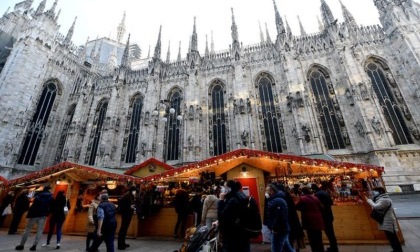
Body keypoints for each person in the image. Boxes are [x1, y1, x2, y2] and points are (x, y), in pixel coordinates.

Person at [15, 185, 53, 251]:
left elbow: (33, 207)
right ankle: (34, 246)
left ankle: (22, 245)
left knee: (27, 229)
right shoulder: (51, 197)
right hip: (43, 216)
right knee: (40, 230)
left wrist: (29, 215)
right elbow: (51, 207)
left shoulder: (38, 196)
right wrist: (47, 214)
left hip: (35, 215)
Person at [365, 186, 403, 252]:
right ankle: (396, 249)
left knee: (393, 237)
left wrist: (368, 200)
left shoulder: (385, 199)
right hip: (387, 220)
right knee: (391, 237)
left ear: (380, 192)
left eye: (375, 191)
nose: (374, 193)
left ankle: (398, 250)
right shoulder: (382, 198)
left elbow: (376, 206)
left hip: (388, 220)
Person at [218, 180, 250, 252]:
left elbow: (222, 216)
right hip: (242, 233)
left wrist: (220, 200)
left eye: (225, 187)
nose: (223, 188)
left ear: (229, 188)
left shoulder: (232, 200)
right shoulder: (241, 195)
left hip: (233, 235)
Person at [264, 184, 295, 252]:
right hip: (282, 228)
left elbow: (280, 216)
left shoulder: (277, 201)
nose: (265, 192)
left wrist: (274, 227)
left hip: (279, 230)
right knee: (286, 246)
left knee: (276, 248)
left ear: (271, 191)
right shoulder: (277, 199)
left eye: (266, 190)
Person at [296, 186, 325, 252]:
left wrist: (302, 209)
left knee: (312, 238)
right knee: (318, 237)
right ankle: (321, 250)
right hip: (318, 219)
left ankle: (314, 250)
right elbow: (322, 207)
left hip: (309, 220)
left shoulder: (302, 198)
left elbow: (296, 206)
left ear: (302, 192)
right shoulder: (315, 198)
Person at [315, 182, 339, 252]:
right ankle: (334, 247)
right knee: (331, 234)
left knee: (327, 233)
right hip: (328, 215)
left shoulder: (318, 194)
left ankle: (333, 248)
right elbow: (331, 203)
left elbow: (317, 204)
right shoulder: (325, 193)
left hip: (323, 216)